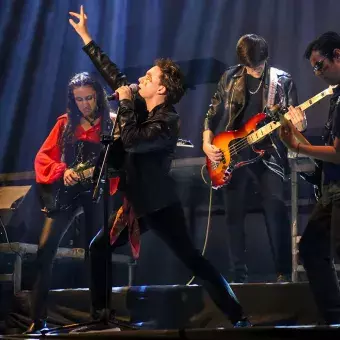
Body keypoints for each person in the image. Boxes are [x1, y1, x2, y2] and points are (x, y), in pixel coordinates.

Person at [68, 5, 250, 327]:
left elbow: (135, 140)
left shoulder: (168, 120)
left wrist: (124, 103)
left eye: (149, 77)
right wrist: (86, 37)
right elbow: (115, 75)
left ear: (162, 89)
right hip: (135, 202)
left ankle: (238, 316)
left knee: (191, 258)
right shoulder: (139, 105)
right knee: (99, 249)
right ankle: (101, 316)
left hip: (159, 204)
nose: (141, 79)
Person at [203, 34, 307, 283]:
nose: (255, 70)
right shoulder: (229, 78)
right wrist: (206, 144)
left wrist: (299, 126)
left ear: (266, 58)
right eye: (250, 67)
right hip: (233, 154)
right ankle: (238, 277)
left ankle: (283, 273)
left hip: (268, 154)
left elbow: (292, 124)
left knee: (275, 210)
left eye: (258, 66)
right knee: (233, 215)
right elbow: (212, 114)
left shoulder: (282, 81)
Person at [27, 72, 118, 333]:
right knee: (45, 250)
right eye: (79, 99)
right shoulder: (64, 124)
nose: (85, 104)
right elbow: (42, 158)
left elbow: (119, 160)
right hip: (65, 193)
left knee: (96, 251)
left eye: (89, 97)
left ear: (98, 96)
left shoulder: (111, 124)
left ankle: (98, 315)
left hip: (95, 192)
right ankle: (37, 319)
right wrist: (60, 169)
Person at [279, 31, 340, 325]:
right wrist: (296, 133)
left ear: (337, 56)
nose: (317, 73)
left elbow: (338, 154)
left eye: (320, 65)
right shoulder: (336, 97)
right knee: (314, 248)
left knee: (318, 249)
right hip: (332, 188)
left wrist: (297, 145)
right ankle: (333, 318)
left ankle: (334, 318)